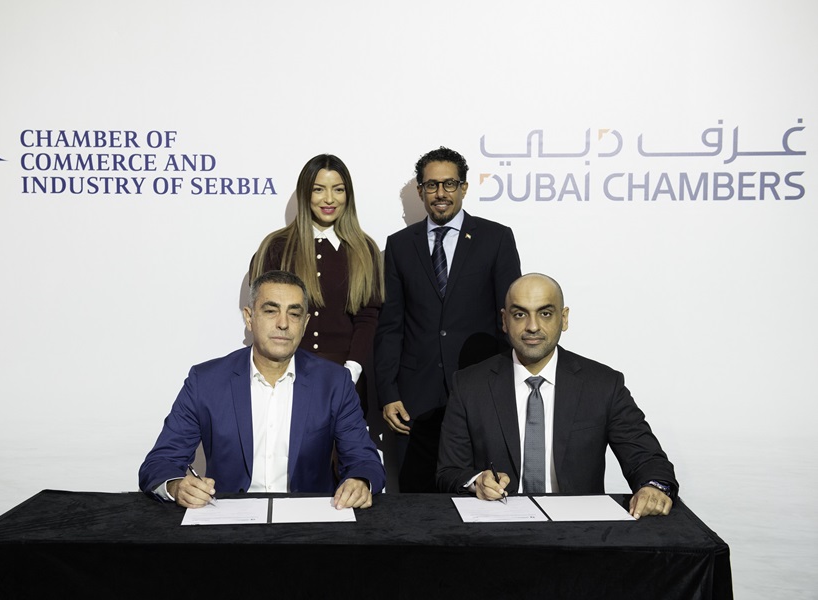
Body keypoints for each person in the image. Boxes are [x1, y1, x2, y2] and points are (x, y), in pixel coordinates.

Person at [437, 273, 678, 518]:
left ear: (564, 319)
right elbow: (448, 472)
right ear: (505, 320)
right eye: (520, 314)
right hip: (499, 524)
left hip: (579, 528)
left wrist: (653, 487)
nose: (532, 326)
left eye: (545, 313)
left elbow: (647, 459)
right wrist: (476, 481)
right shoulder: (469, 385)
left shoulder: (603, 384)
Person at [139, 270, 385, 509]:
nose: (283, 324)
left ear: (305, 323)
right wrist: (177, 486)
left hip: (308, 519)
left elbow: (364, 460)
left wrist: (360, 481)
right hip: (227, 519)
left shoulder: (334, 382)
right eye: (270, 311)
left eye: (294, 314)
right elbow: (161, 461)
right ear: (249, 318)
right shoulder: (205, 381)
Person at [374, 147, 522, 492]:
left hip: (480, 392)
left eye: (449, 184)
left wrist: (507, 388)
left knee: (482, 495)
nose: (440, 193)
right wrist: (388, 393)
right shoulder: (399, 245)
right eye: (432, 185)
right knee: (416, 500)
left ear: (464, 187)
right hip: (415, 401)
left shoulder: (496, 238)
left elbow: (510, 319)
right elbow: (391, 324)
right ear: (421, 191)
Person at [251, 154, 383, 415]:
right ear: (305, 193)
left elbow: (367, 318)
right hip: (284, 378)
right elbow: (265, 315)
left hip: (346, 380)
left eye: (338, 190)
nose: (329, 199)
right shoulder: (275, 247)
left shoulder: (364, 249)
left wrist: (350, 372)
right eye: (319, 189)